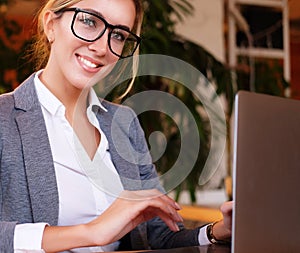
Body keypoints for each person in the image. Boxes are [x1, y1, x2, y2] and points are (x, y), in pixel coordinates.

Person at [0, 0, 233, 252]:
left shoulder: (124, 123)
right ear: (50, 25)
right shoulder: (5, 119)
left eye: (119, 35)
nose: (102, 47)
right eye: (89, 21)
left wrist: (218, 231)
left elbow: (158, 238)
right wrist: (92, 232)